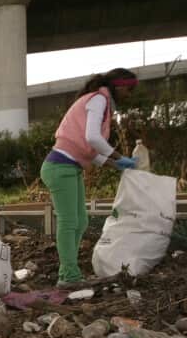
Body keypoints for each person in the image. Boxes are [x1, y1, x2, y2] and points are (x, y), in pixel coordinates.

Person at [40, 67, 139, 288]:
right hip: (59, 166)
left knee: (80, 221)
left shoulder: (100, 102)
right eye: (129, 90)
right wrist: (119, 156)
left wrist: (116, 165)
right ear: (120, 86)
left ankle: (68, 271)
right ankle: (68, 275)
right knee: (69, 221)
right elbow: (92, 138)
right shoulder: (99, 100)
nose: (129, 95)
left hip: (69, 166)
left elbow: (89, 151)